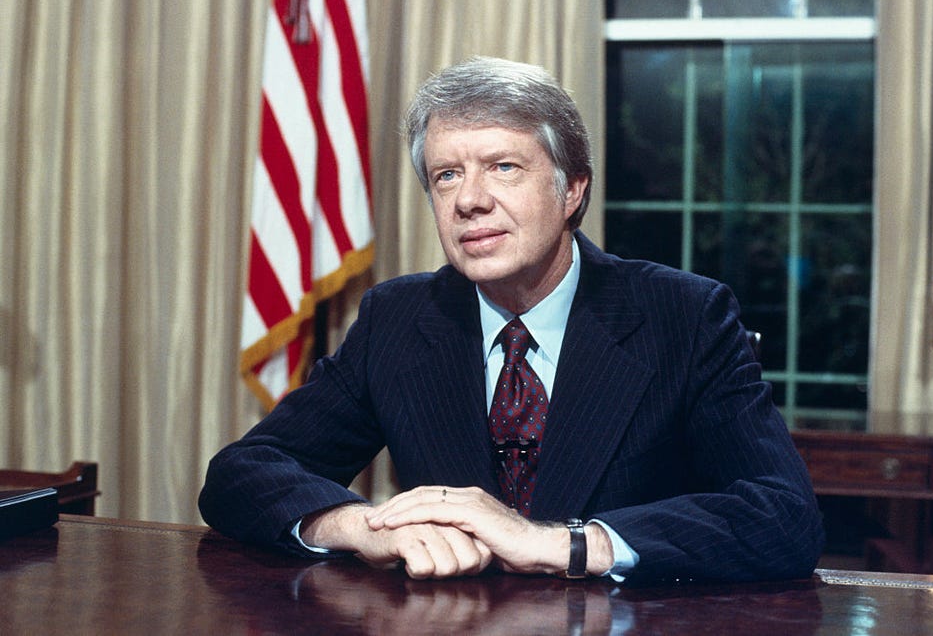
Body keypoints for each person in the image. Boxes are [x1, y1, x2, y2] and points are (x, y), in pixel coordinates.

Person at [199, 56, 824, 584]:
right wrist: (362, 527)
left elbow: (784, 514)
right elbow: (240, 475)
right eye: (447, 176)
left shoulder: (683, 316)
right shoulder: (398, 316)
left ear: (571, 189)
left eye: (503, 167)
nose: (470, 199)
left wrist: (562, 545)